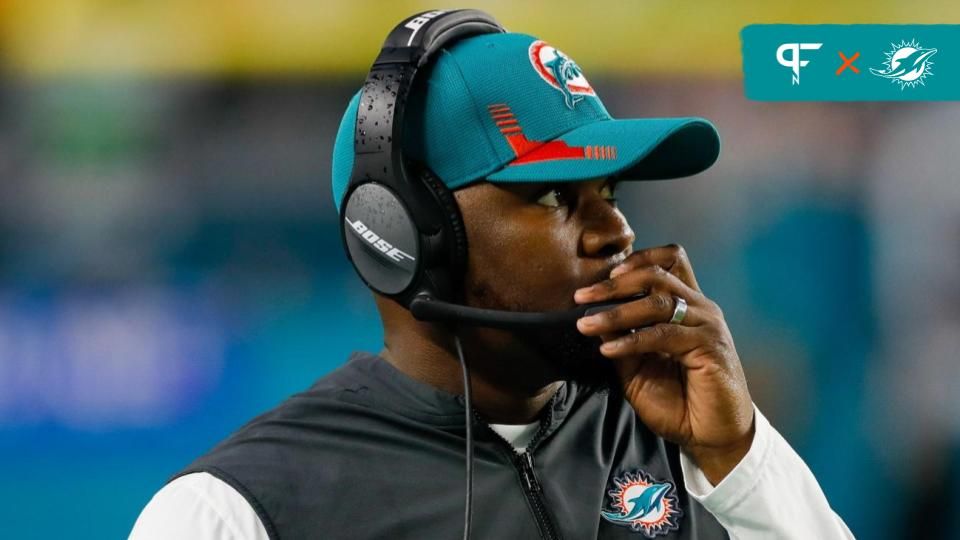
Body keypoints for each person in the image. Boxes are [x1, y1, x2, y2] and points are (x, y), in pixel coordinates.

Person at [130, 17, 854, 540]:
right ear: (408, 234)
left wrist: (740, 457)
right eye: (552, 197)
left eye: (611, 194)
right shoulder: (240, 509)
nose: (615, 232)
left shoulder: (694, 447)